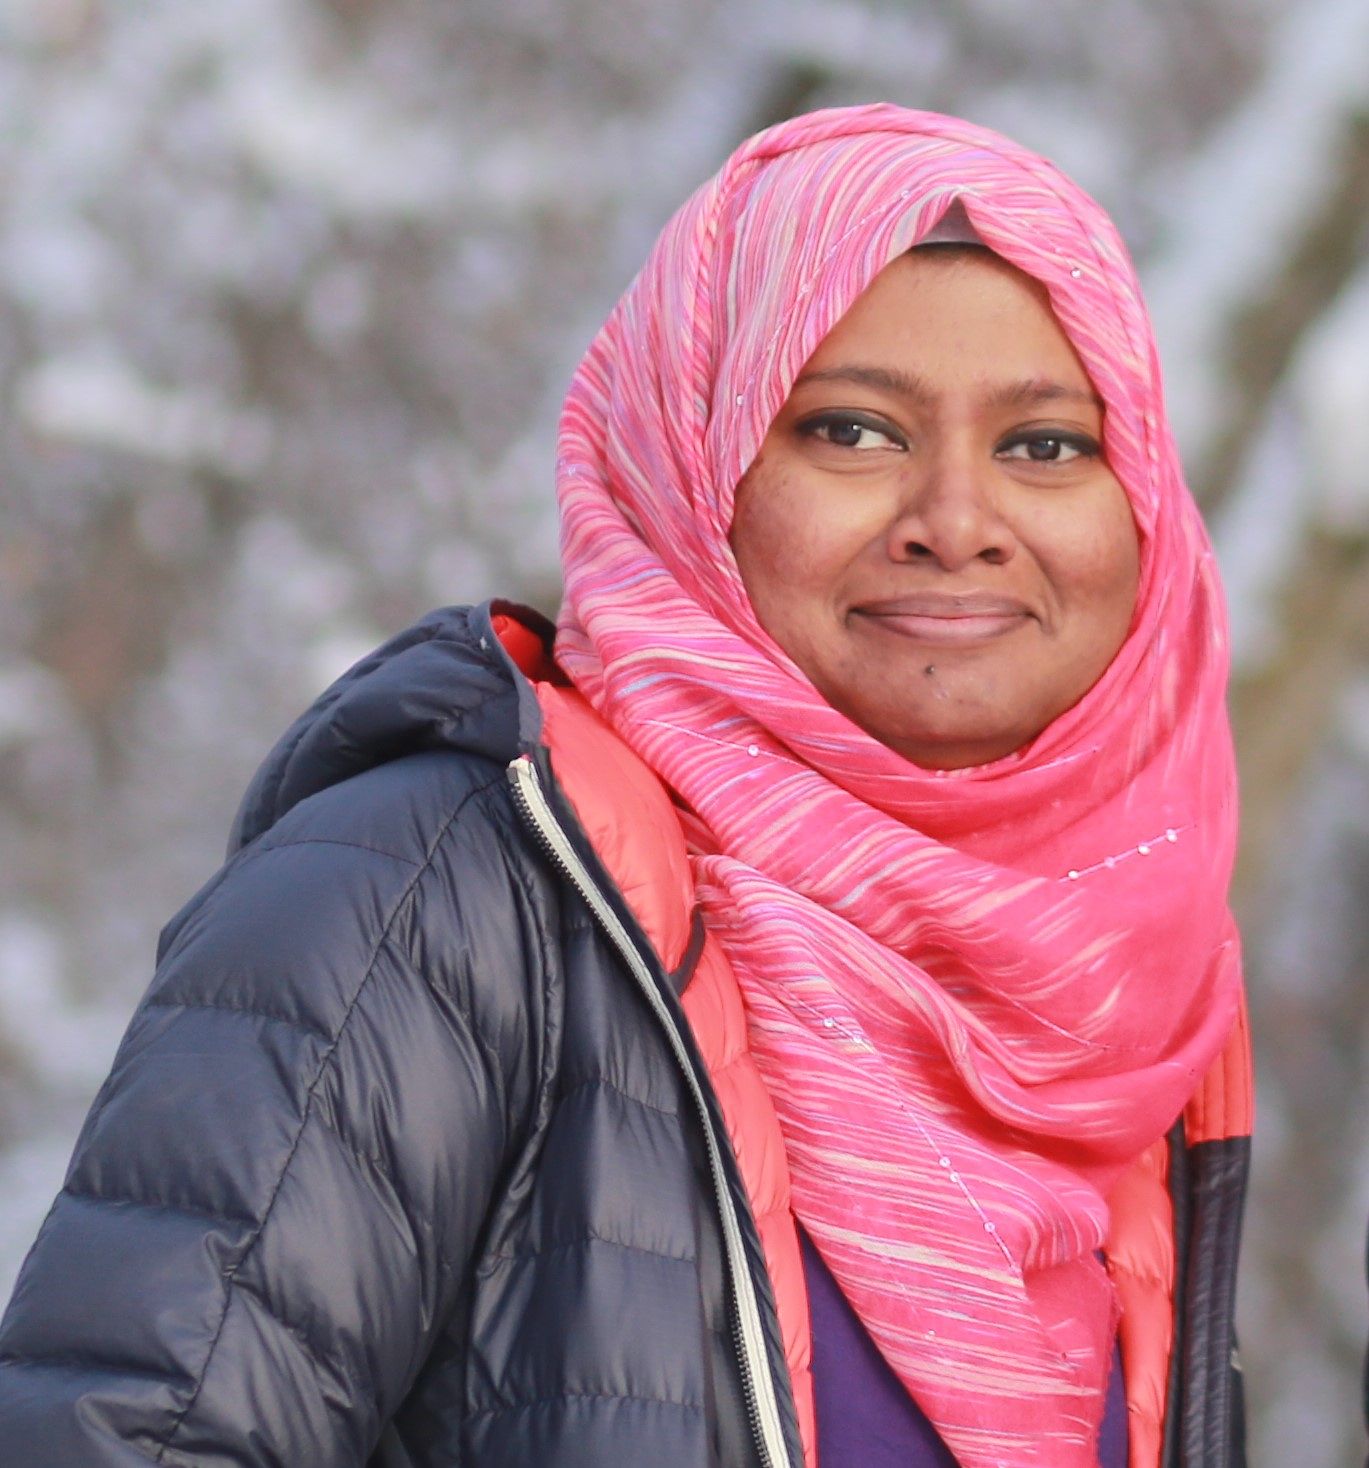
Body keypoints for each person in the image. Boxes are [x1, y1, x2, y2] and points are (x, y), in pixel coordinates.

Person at [0, 103, 1250, 1468]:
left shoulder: (1130, 1015)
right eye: (849, 429)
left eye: (1045, 446)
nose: (955, 521)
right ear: (689, 467)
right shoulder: (435, 898)